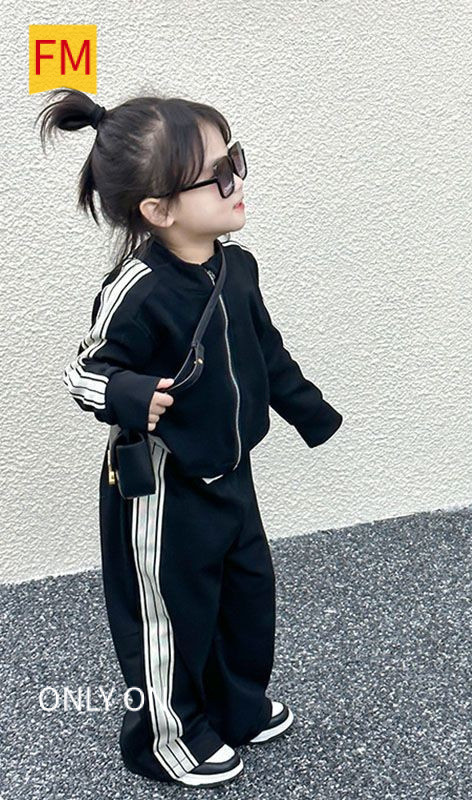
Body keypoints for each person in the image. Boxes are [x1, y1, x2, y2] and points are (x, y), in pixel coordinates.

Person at [37, 88, 343, 788]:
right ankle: (165, 736)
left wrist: (309, 411)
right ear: (159, 210)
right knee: (170, 614)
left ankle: (234, 707)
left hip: (230, 475)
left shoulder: (238, 268)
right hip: (162, 488)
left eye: (235, 159)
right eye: (218, 174)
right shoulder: (139, 289)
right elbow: (84, 371)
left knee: (245, 596)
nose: (237, 180)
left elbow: (266, 350)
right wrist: (129, 394)